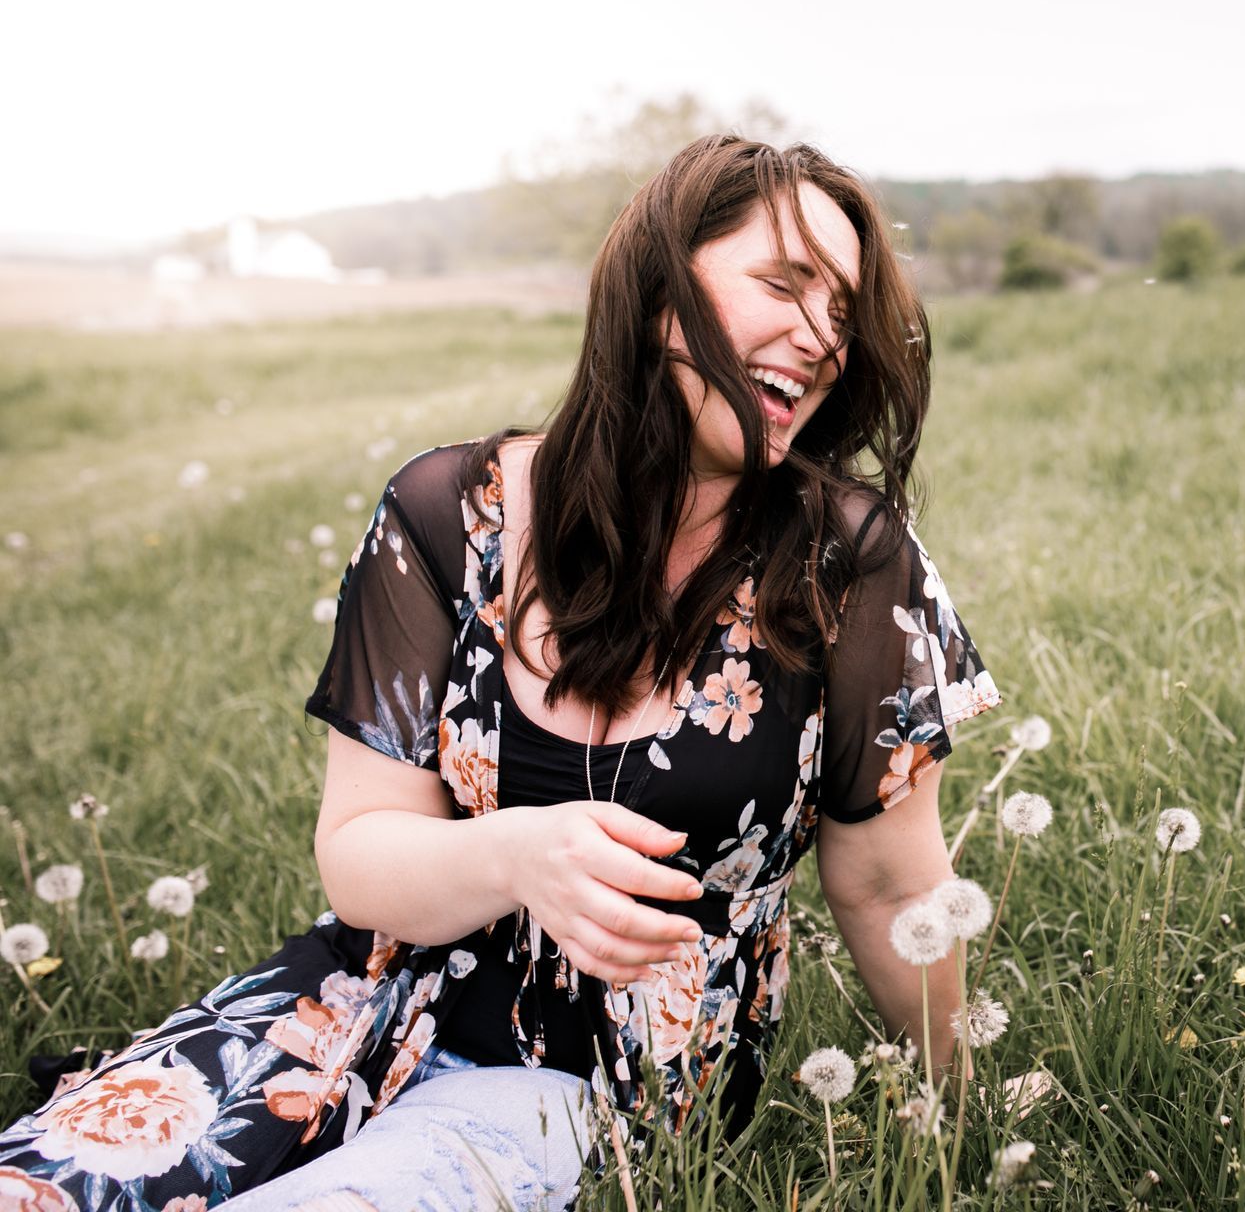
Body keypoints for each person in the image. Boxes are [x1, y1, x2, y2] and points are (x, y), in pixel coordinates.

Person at [0, 135, 999, 1211]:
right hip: (353, 1002)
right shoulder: (444, 515)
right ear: (659, 289)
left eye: (843, 311)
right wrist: (516, 853)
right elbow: (360, 850)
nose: (819, 337)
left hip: (585, 1081)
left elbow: (894, 882)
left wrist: (966, 1123)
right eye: (784, 282)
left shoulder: (849, 564)